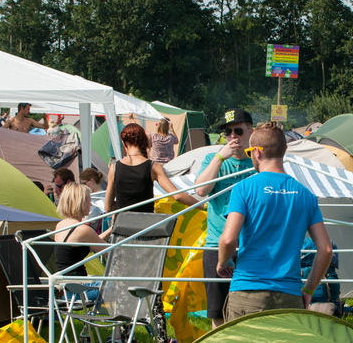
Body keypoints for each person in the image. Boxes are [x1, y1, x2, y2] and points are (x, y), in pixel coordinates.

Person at [217, 124, 333, 321]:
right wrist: (309, 289)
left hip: (247, 291)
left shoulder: (243, 189)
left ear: (257, 152)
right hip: (289, 294)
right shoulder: (306, 195)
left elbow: (228, 240)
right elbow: (326, 250)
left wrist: (222, 262)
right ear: (284, 151)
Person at [194, 108, 256, 328]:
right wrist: (220, 157)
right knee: (218, 312)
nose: (232, 137)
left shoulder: (258, 162)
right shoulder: (214, 159)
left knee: (250, 310)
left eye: (238, 131)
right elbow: (200, 191)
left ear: (251, 132)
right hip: (217, 245)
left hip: (251, 246)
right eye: (227, 132)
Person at [104, 124, 197, 215]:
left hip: (121, 225)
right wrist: (204, 206)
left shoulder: (114, 168)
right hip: (146, 224)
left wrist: (124, 206)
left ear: (123, 142)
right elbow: (177, 195)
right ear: (144, 140)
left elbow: (108, 208)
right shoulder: (153, 166)